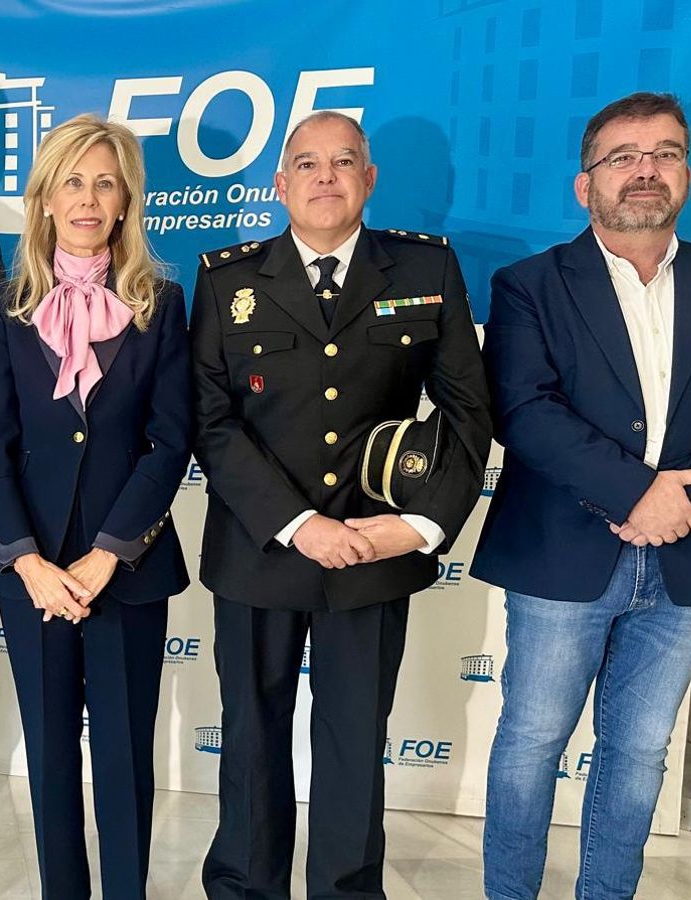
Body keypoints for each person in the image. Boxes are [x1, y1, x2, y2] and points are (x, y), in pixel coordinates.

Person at [473, 91, 691, 900]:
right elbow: (524, 408)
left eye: (665, 153)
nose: (645, 170)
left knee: (642, 750)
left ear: (687, 174)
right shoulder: (530, 285)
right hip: (561, 553)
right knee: (532, 741)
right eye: (623, 156)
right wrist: (636, 492)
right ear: (585, 186)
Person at [190, 110, 492, 899]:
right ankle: (245, 888)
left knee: (355, 740)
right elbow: (211, 423)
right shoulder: (227, 279)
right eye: (308, 164)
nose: (327, 177)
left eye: (345, 161)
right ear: (280, 185)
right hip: (262, 551)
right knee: (252, 739)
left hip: (374, 552)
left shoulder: (425, 271)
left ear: (370, 178)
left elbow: (468, 412)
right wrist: (299, 525)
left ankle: (347, 890)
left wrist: (418, 528)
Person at [0, 114, 192, 900]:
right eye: (73, 181)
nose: (89, 198)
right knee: (51, 756)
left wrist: (108, 552)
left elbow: (170, 443)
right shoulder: (5, 307)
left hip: (123, 574)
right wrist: (24, 559)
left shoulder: (161, 305)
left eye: (106, 182)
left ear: (128, 200)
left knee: (125, 758)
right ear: (45, 199)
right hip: (31, 576)